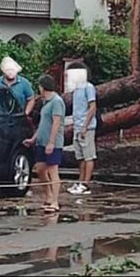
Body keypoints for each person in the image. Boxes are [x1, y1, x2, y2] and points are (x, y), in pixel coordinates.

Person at [23, 74, 65, 213]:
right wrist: (34, 139)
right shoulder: (45, 102)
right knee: (40, 169)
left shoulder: (56, 101)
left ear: (43, 87)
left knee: (53, 170)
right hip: (41, 141)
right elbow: (43, 124)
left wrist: (51, 142)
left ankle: (55, 201)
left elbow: (56, 123)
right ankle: (48, 195)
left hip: (52, 142)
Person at [65, 62, 98, 196]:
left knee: (88, 156)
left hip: (87, 127)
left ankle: (86, 184)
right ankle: (80, 181)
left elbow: (92, 106)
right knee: (80, 157)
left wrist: (85, 126)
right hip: (77, 126)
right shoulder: (76, 89)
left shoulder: (88, 87)